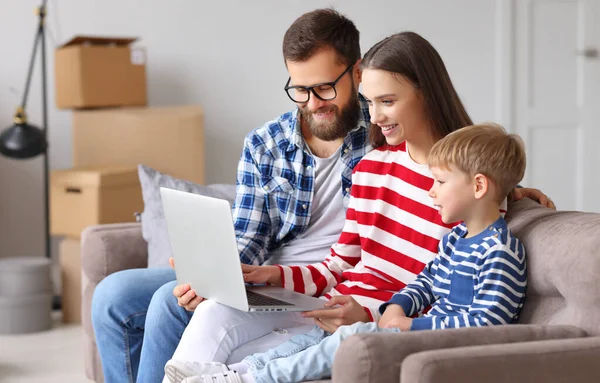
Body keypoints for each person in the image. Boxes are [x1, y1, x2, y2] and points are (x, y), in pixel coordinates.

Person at [92, 9, 550, 383]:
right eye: (371, 105)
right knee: (208, 311)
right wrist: (266, 273)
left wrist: (515, 190)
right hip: (322, 301)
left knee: (234, 354)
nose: (375, 117)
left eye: (385, 102)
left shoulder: (459, 188)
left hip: (358, 321)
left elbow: (445, 281)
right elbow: (339, 266)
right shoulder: (370, 165)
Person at [178, 122, 528, 383]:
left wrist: (410, 324)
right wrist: (397, 307)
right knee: (313, 335)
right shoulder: (457, 239)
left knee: (347, 336)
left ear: (479, 186)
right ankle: (244, 371)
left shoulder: (500, 252)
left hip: (439, 343)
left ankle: (250, 378)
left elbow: (485, 324)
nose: (431, 192)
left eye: (439, 182)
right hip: (409, 328)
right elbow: (426, 282)